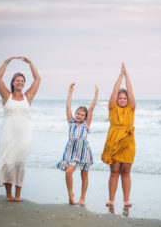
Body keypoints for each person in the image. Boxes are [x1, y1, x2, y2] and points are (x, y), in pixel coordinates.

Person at [0, 56, 41, 202]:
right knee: (8, 163)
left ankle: (18, 195)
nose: (20, 82)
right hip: (7, 134)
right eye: (17, 80)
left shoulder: (28, 96)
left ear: (24, 83)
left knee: (20, 164)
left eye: (22, 81)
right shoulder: (6, 95)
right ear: (13, 83)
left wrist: (31, 63)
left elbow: (38, 79)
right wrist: (6, 62)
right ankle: (9, 195)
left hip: (24, 136)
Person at [57, 83, 99, 206]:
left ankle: (82, 198)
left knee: (84, 174)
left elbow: (91, 108)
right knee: (68, 172)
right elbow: (68, 106)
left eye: (82, 115)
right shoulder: (71, 122)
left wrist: (96, 95)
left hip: (83, 152)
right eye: (78, 114)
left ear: (85, 117)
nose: (79, 116)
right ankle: (71, 194)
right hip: (71, 152)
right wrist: (70, 92)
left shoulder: (86, 125)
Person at [101, 63, 136, 208]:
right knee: (114, 171)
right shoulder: (112, 108)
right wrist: (120, 75)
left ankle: (126, 200)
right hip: (114, 141)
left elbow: (130, 91)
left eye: (124, 98)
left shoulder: (131, 107)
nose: (122, 100)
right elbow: (115, 90)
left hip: (128, 141)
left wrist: (127, 75)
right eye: (120, 98)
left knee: (126, 172)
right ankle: (111, 199)